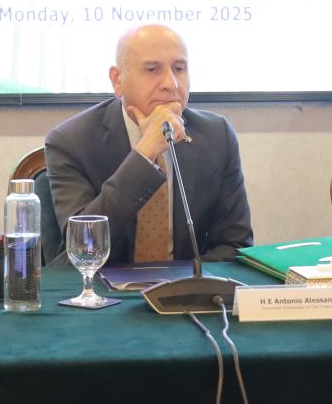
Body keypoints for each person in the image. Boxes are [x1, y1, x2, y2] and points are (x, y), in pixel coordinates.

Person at [44, 24, 253, 265]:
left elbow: (235, 245)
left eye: (179, 69)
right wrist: (145, 154)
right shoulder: (70, 141)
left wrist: (182, 281)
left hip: (186, 285)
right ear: (117, 80)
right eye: (153, 69)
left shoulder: (217, 136)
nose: (171, 84)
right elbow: (83, 246)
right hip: (104, 286)